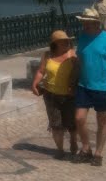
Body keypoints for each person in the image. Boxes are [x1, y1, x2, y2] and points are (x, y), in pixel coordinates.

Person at [73, 7, 106, 166]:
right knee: (79, 118)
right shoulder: (82, 37)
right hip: (84, 85)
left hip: (103, 87)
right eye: (84, 22)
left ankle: (98, 153)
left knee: (102, 121)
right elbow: (79, 60)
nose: (85, 25)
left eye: (88, 23)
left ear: (96, 23)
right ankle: (86, 148)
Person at [31, 30, 79, 159]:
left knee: (72, 124)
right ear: (55, 43)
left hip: (70, 96)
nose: (66, 43)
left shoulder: (73, 55)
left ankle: (73, 141)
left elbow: (79, 73)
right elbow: (41, 71)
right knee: (56, 125)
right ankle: (60, 149)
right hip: (50, 95)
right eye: (63, 41)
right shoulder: (47, 55)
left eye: (67, 41)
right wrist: (35, 83)